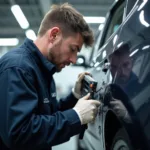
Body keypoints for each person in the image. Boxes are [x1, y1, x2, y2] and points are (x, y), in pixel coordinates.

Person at [0, 3, 101, 150]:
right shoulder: (18, 68)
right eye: (73, 49)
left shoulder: (43, 70)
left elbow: (48, 115)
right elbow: (19, 133)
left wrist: (74, 96)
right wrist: (76, 116)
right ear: (54, 35)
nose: (73, 60)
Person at [108, 44, 139, 123]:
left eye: (125, 65)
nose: (122, 72)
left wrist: (127, 116)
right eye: (115, 67)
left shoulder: (142, 89)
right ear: (109, 67)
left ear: (132, 62)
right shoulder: (107, 87)